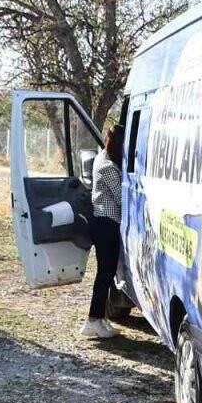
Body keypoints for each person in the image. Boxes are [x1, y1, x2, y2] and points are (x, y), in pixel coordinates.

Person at [80, 125, 125, 339]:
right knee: (104, 275)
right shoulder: (107, 166)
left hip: (104, 223)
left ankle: (100, 318)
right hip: (106, 224)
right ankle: (92, 320)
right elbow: (121, 198)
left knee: (106, 275)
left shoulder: (102, 157)